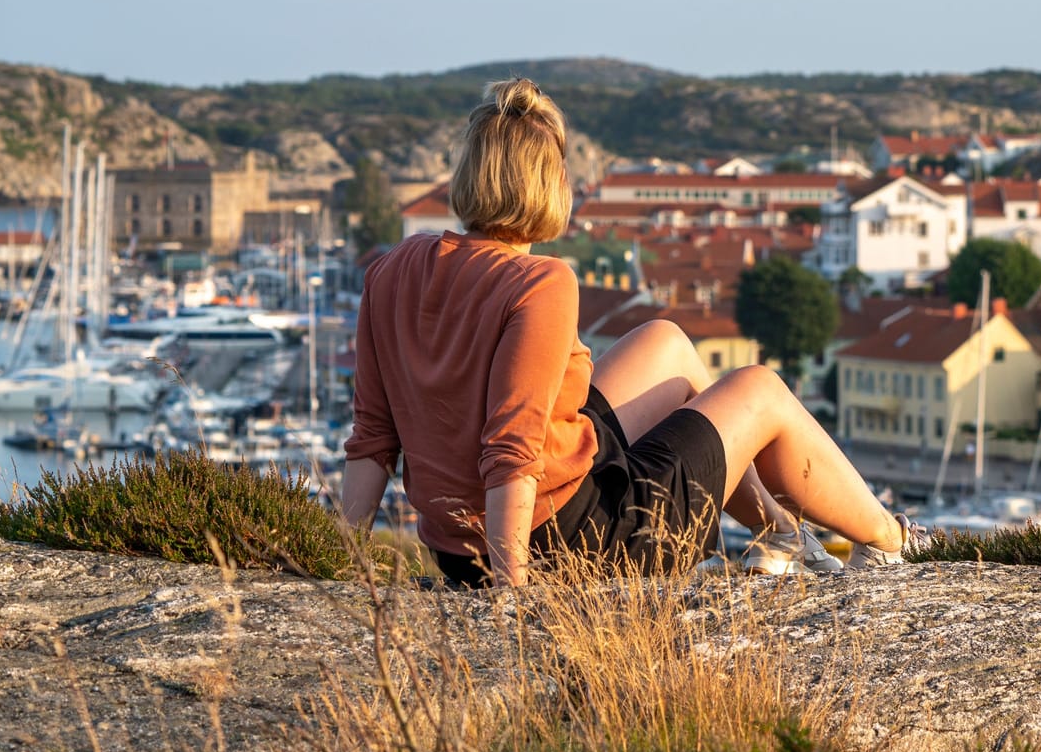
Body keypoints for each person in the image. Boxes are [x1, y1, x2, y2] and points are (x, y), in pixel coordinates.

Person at [336, 77, 912, 585]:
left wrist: (341, 563)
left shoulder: (393, 268)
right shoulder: (541, 282)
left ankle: (780, 534)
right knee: (760, 388)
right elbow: (512, 450)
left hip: (460, 548)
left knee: (664, 343)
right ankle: (890, 542)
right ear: (551, 183)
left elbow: (373, 437)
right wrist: (509, 597)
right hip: (575, 546)